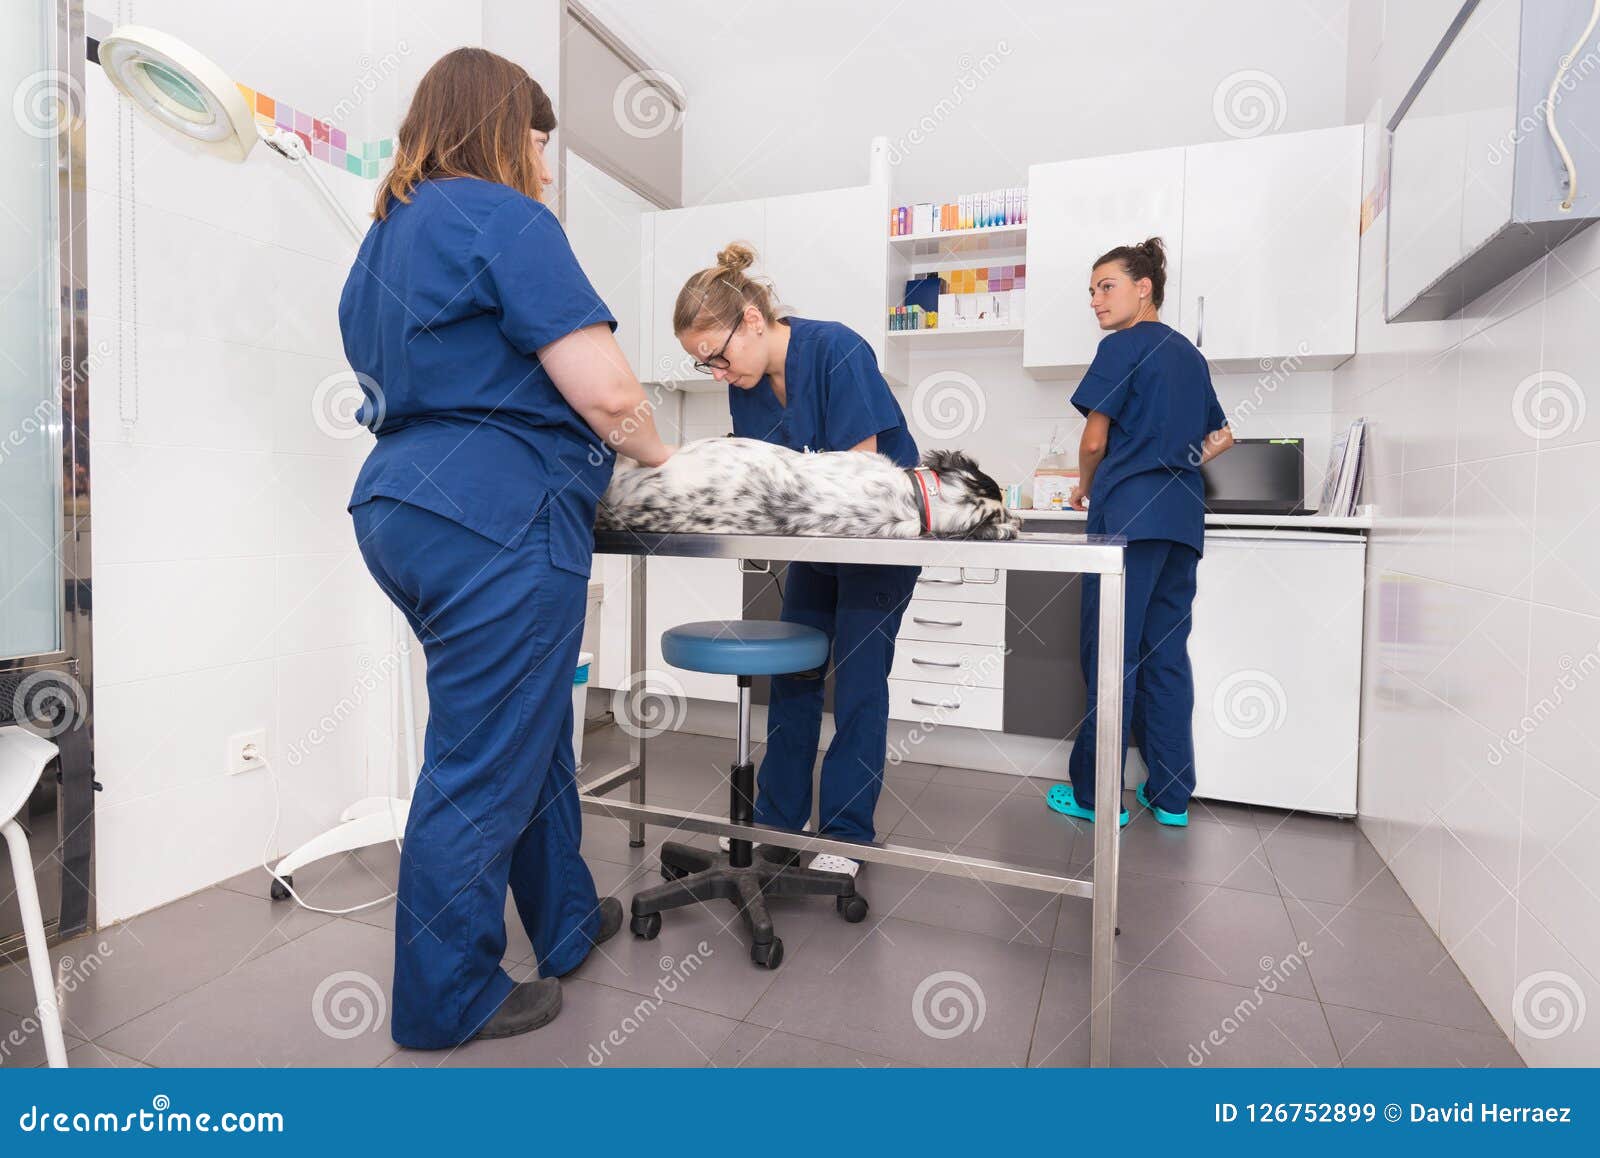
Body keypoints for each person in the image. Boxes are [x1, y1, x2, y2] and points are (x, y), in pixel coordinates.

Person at [338, 48, 674, 1048]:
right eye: (536, 139)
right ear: (499, 130)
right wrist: (665, 458)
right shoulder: (504, 217)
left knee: (523, 728)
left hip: (401, 510)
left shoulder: (380, 244)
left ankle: (565, 923)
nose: (544, 162)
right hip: (499, 518)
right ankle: (448, 998)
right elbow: (610, 393)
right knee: (483, 756)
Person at [673, 244, 919, 877]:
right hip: (816, 542)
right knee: (796, 676)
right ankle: (780, 822)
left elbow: (860, 477)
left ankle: (845, 835)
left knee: (859, 684)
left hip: (879, 540)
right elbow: (765, 477)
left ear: (753, 319)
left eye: (719, 357)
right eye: (706, 366)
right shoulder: (749, 388)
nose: (719, 373)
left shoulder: (837, 350)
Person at [1045, 237, 1233, 829]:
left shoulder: (1120, 346)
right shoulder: (1189, 355)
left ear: (1143, 287)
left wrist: (1084, 484)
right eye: (1092, 291)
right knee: (1166, 654)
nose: (1097, 301)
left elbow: (1096, 440)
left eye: (1107, 286)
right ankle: (1171, 796)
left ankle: (1095, 797)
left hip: (1128, 513)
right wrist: (1172, 455)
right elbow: (1223, 436)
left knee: (1111, 655)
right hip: (1181, 516)